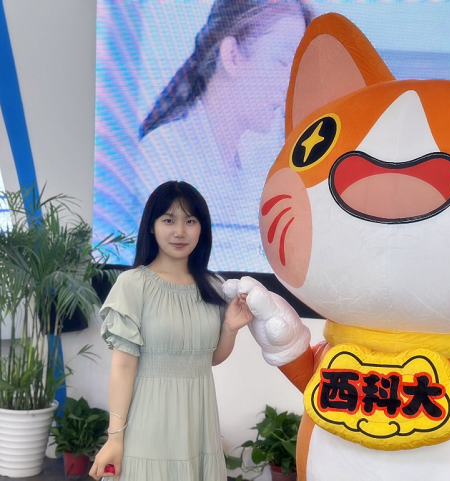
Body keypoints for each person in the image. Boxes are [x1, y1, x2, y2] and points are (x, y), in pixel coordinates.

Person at [89, 181, 253, 481]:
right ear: (152, 227)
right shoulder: (133, 284)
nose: (180, 232)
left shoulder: (213, 286)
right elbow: (123, 367)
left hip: (199, 426)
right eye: (168, 220)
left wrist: (230, 327)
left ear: (202, 229)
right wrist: (115, 438)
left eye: (190, 221)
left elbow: (209, 359)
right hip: (149, 425)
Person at [135, 0, 313, 272]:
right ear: (232, 56)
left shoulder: (252, 169)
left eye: (296, 68)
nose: (290, 86)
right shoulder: (164, 153)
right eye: (281, 62)